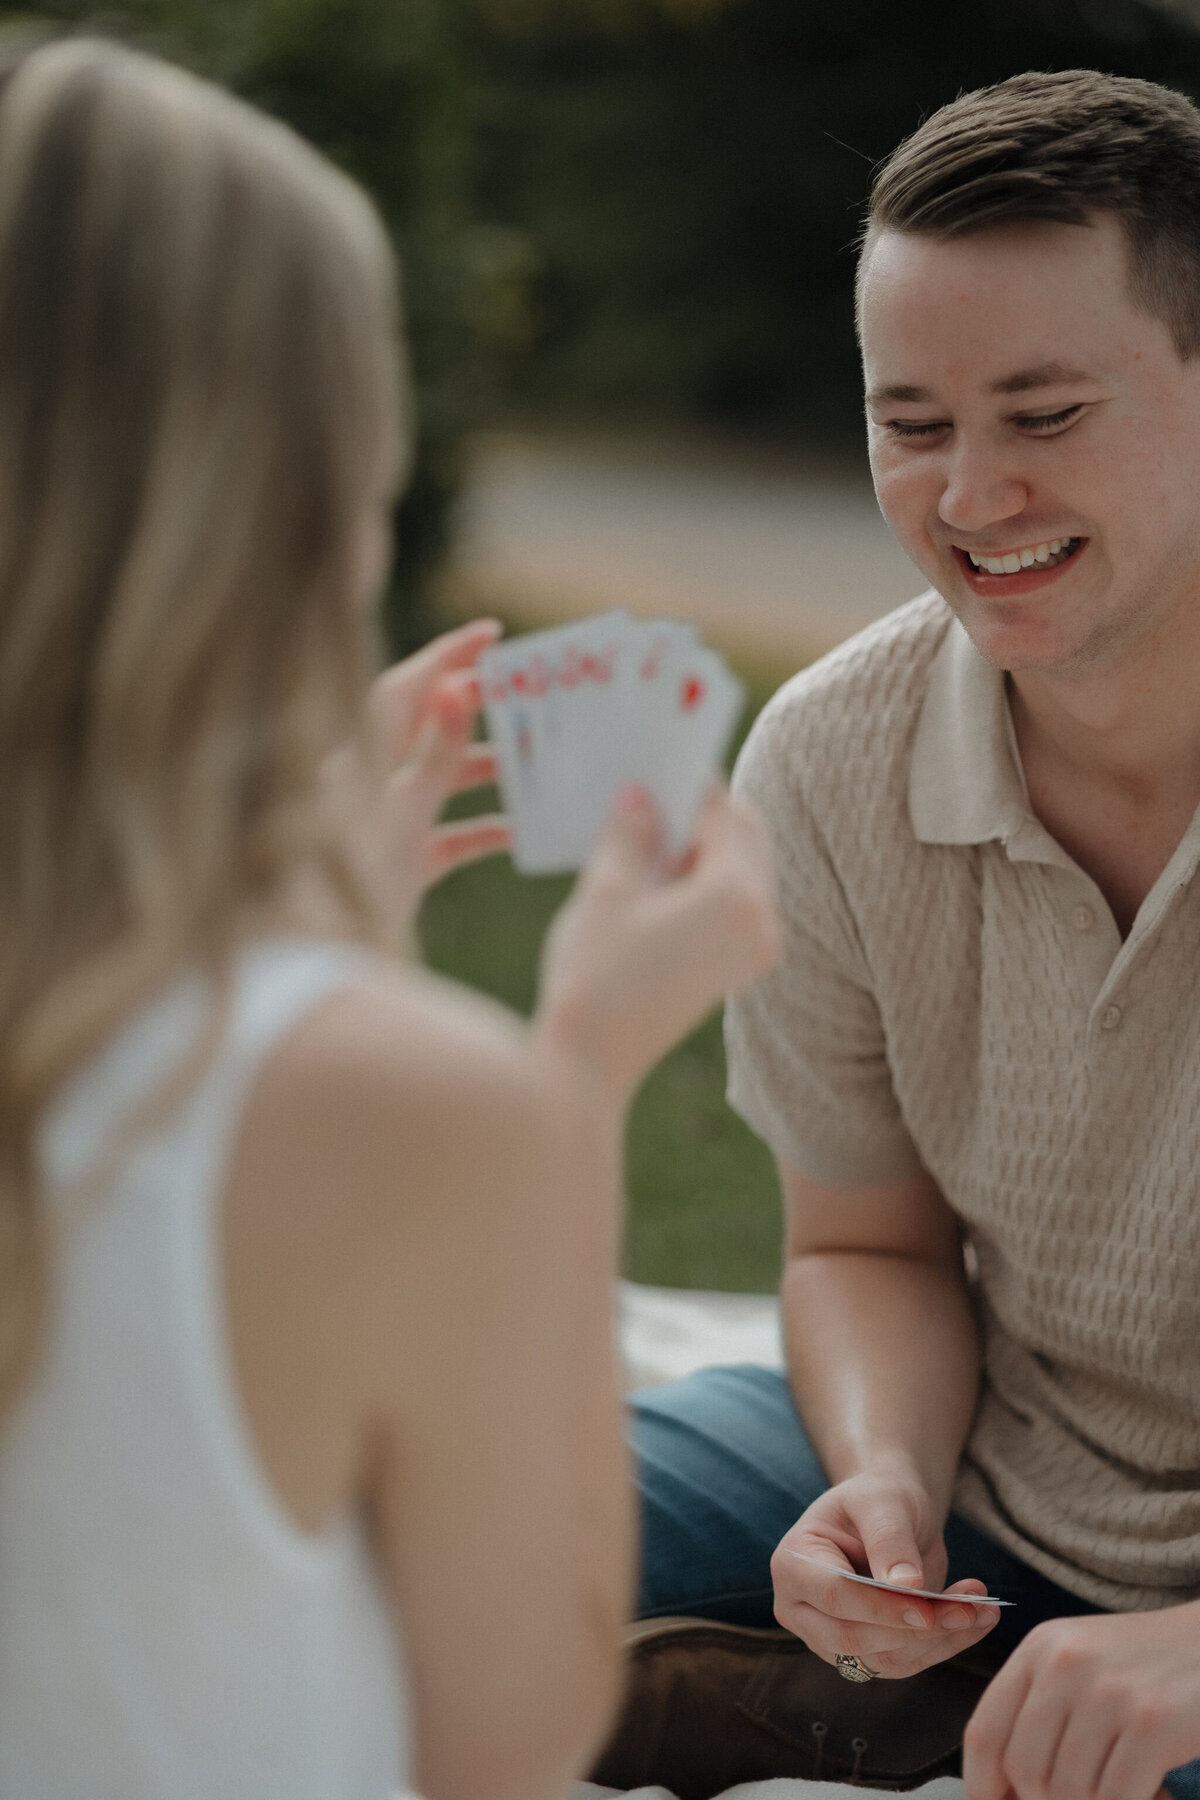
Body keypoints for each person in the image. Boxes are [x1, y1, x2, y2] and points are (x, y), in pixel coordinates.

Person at [0, 34, 779, 1800]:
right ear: (296, 515)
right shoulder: (415, 1115)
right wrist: (573, 1078)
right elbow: (507, 1740)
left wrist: (322, 953)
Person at [632, 67, 1200, 1800]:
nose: (969, 498)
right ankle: (912, 1682)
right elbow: (866, 1246)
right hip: (1000, 1473)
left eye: (1044, 414)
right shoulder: (830, 754)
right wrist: (880, 1472)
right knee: (437, 1523)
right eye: (913, 422)